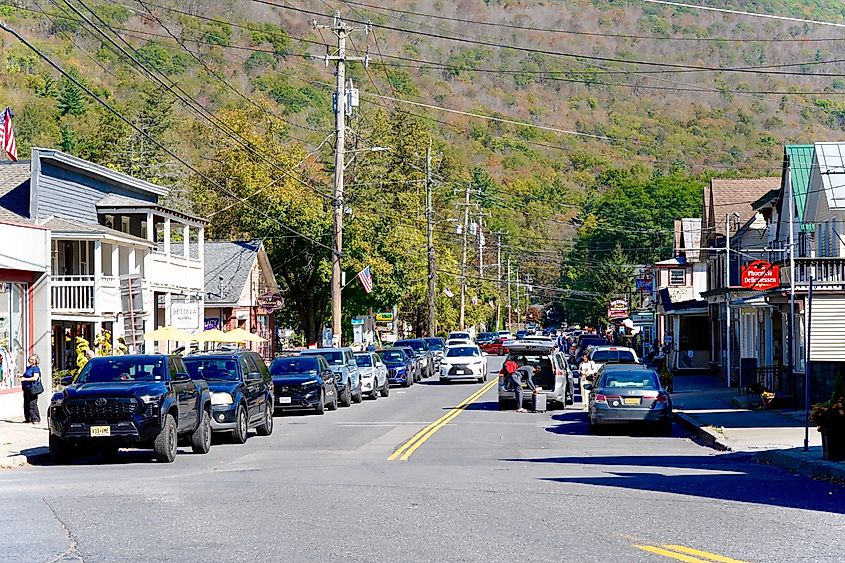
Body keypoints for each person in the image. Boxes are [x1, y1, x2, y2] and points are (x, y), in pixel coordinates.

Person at [19, 354, 42, 424]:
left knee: (32, 404)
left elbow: (35, 378)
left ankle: (35, 419)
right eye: (30, 359)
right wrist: (21, 376)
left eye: (32, 359)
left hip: (33, 388)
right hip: (26, 388)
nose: (30, 360)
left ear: (36, 361)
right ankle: (28, 418)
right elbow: (26, 375)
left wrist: (24, 379)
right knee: (26, 403)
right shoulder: (29, 368)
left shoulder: (36, 368)